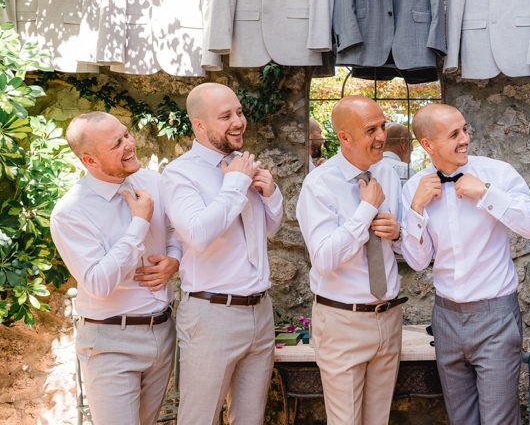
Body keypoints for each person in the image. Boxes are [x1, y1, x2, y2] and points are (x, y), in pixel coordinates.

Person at [402, 104, 530, 424]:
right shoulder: (414, 188)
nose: (465, 138)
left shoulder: (496, 174)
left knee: (500, 418)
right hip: (446, 317)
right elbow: (416, 261)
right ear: (428, 145)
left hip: (494, 315)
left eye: (465, 129)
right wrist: (416, 210)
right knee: (461, 418)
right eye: (454, 134)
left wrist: (487, 194)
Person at [160, 82, 284, 425]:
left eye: (240, 112)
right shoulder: (179, 174)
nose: (238, 122)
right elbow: (198, 235)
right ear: (200, 125)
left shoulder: (242, 165)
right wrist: (234, 185)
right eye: (226, 116)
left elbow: (266, 233)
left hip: (260, 311)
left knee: (250, 418)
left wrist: (271, 194)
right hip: (212, 314)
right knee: (199, 417)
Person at [50, 112, 181, 425]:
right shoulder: (70, 212)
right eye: (117, 144)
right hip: (110, 341)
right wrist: (139, 223)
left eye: (126, 134)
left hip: (162, 332)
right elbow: (98, 283)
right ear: (90, 160)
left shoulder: (153, 182)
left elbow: (176, 231)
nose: (129, 145)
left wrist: (174, 259)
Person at [296, 95, 405, 425]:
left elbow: (405, 249)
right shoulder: (319, 185)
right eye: (371, 129)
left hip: (388, 316)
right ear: (344, 137)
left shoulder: (388, 172)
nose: (382, 137)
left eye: (383, 126)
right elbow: (325, 257)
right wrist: (366, 210)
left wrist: (398, 234)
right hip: (342, 321)